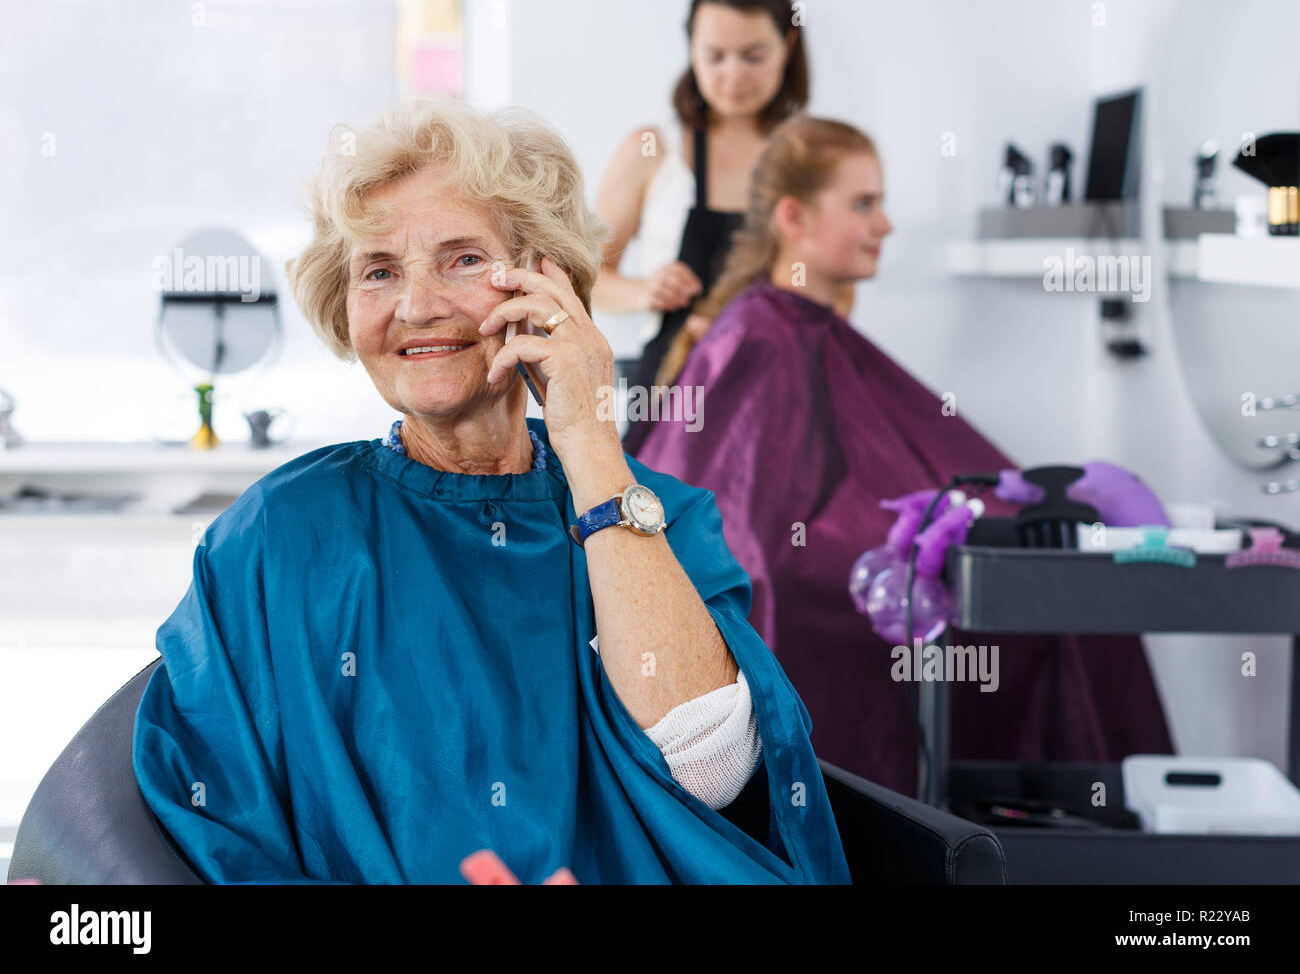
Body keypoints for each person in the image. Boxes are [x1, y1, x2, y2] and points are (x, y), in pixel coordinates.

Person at [130, 99, 851, 885]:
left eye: (463, 259)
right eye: (379, 270)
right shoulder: (279, 532)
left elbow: (709, 773)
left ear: (549, 284)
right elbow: (212, 821)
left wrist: (590, 447)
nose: (416, 305)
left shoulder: (657, 513)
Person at [633, 114, 1175, 795]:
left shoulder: (802, 327)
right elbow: (757, 548)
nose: (885, 224)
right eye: (863, 204)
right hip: (822, 613)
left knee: (1066, 588)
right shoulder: (761, 337)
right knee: (1052, 613)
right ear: (794, 217)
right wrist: (894, 555)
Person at [590, 0, 851, 452]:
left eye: (753, 55)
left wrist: (767, 323)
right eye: (714, 55)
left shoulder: (814, 158)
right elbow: (588, 277)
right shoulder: (651, 149)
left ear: (788, 45)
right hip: (671, 398)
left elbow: (839, 299)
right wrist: (647, 289)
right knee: (663, 523)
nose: (733, 75)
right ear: (690, 46)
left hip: (781, 394)